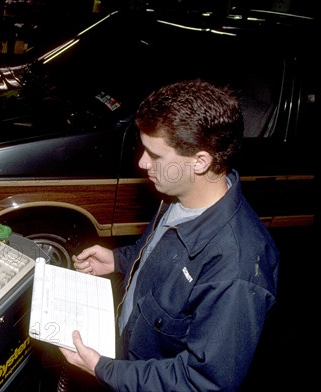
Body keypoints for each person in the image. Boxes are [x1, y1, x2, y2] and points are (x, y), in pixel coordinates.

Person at [59, 79, 279, 391]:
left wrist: (104, 369)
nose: (142, 162)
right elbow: (160, 252)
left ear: (200, 162)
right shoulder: (176, 194)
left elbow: (202, 382)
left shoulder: (237, 269)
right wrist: (119, 259)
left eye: (155, 154)